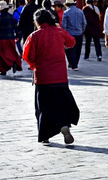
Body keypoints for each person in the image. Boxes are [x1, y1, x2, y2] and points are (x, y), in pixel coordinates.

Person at [23, 9, 79, 145]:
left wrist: (34, 66)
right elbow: (71, 42)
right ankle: (64, 125)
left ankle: (45, 136)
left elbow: (28, 56)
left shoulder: (34, 36)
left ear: (37, 22)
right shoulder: (59, 31)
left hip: (43, 77)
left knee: (43, 108)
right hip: (60, 76)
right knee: (62, 104)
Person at [62, 0, 87, 71]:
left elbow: (64, 25)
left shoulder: (66, 13)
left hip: (70, 34)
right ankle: (75, 63)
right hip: (79, 33)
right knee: (78, 49)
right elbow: (84, 23)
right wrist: (82, 31)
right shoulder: (80, 12)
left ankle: (74, 64)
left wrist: (65, 33)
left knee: (71, 49)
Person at [0, 1, 22, 76]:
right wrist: (17, 36)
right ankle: (14, 63)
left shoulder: (0, 18)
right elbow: (16, 28)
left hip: (2, 39)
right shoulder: (12, 17)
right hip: (11, 38)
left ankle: (4, 70)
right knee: (12, 52)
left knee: (2, 55)